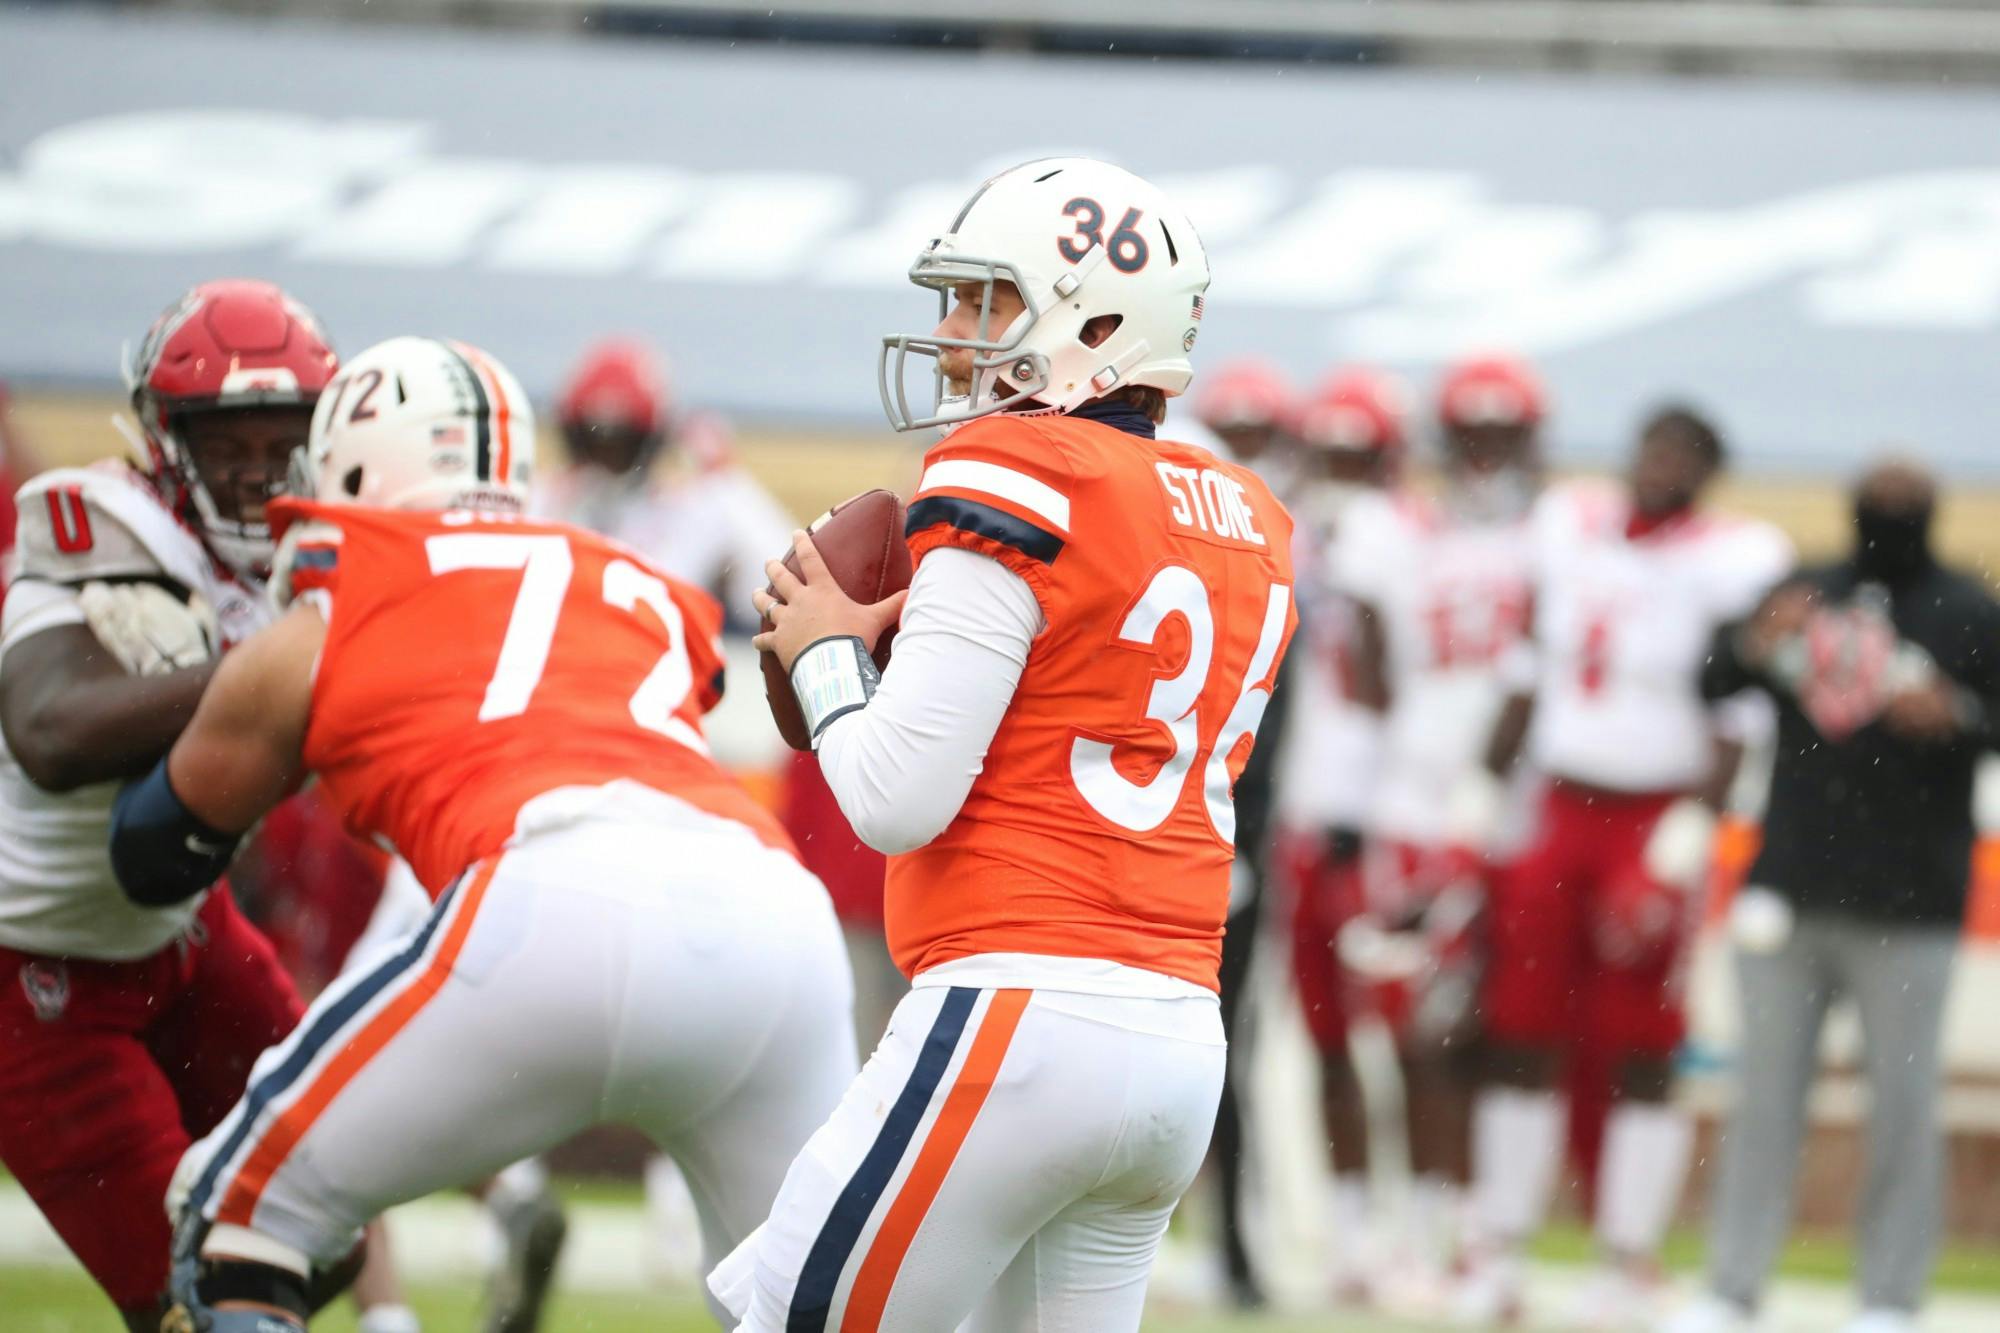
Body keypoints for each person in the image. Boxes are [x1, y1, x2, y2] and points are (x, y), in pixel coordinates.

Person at [107, 335, 857, 1333]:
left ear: (354, 461)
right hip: (769, 914)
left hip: (549, 898)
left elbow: (154, 849)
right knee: (818, 1310)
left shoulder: (350, 586)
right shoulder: (621, 574)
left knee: (232, 1221)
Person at [718, 156, 1295, 1332]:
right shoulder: (1244, 513)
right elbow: (1071, 676)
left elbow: (891, 797)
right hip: (1178, 1033)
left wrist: (825, 647)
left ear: (1090, 323)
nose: (948, 333)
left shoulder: (1012, 465)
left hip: (1019, 1010)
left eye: (983, 301)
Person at [0, 279, 337, 1333]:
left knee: (334, 1182)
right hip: (35, 969)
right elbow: (50, 732)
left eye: (280, 436)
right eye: (224, 435)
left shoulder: (316, 547)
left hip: (187, 930)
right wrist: (257, 674)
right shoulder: (106, 530)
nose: (253, 463)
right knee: (198, 1302)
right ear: (164, 436)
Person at [1456, 405, 1794, 1326]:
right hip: (1560, 801)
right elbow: (1529, 669)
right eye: (1651, 447)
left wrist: (1696, 822)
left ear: (1709, 470)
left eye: (1681, 454)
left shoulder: (1738, 556)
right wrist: (1484, 788)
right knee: (1518, 1026)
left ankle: (1626, 1254)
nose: (1659, 466)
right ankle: (1496, 1244)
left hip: (1654, 813)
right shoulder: (1570, 524)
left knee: (1642, 1040)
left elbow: (1743, 710)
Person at [1665, 459, 2000, 1333]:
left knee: (1903, 1107)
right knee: (1765, 1099)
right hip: (1792, 886)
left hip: (1914, 900)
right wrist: (1749, 639)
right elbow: (1708, 678)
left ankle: (1890, 1297)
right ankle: (1731, 1286)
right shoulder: (1806, 592)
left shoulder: (1969, 609)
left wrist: (1956, 713)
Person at [1322, 355, 1545, 1309]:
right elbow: (1369, 670)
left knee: (1513, 1032)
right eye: (1471, 434)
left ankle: (1484, 1240)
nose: (1486, 455)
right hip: (1413, 806)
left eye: (1502, 435)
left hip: (1519, 811)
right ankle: (1417, 1236)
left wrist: (1486, 788)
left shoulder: (1559, 532)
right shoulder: (1389, 528)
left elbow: (1535, 675)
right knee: (1417, 1028)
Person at [1270, 366, 1403, 1304]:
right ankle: (1349, 1233)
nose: (1340, 467)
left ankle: (1414, 1229)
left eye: (1357, 452)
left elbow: (1392, 690)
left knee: (1402, 1040)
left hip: (1390, 819)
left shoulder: (1401, 542)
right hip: (1298, 815)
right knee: (1318, 1039)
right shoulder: (1290, 527)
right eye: (1331, 449)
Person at [1186, 354, 1298, 1309]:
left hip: (1207, 834)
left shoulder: (1264, 550)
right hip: (1145, 832)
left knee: (1217, 1055)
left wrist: (1242, 838)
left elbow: (1262, 720)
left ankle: (1230, 1243)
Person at [539, 337, 792, 628]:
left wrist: (727, 480)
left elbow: (780, 580)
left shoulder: (688, 508)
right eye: (593, 439)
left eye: (623, 444)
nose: (607, 458)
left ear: (652, 439)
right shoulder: (544, 499)